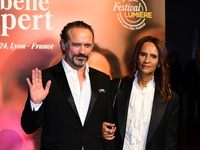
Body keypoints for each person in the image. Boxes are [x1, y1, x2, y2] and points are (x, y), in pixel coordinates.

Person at [21, 21, 115, 150]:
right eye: (76, 45)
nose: (82, 51)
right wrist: (35, 103)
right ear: (63, 45)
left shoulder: (103, 79)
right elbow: (28, 127)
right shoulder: (45, 79)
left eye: (87, 45)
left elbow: (108, 124)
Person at [102, 36, 179, 150]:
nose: (147, 60)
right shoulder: (116, 87)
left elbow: (170, 141)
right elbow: (102, 118)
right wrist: (102, 127)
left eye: (153, 56)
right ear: (136, 57)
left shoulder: (169, 98)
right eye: (143, 54)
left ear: (159, 63)